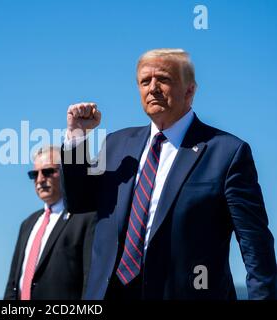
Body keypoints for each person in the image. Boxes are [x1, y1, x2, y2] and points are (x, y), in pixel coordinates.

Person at [62, 48, 277, 300]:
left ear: (190, 90)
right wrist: (77, 139)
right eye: (145, 81)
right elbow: (78, 203)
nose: (152, 88)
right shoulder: (116, 145)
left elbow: (255, 247)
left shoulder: (227, 152)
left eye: (163, 79)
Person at [4, 146, 96, 300]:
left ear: (64, 171)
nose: (40, 179)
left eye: (48, 172)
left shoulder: (84, 218)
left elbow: (90, 277)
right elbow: (12, 283)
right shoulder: (28, 224)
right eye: (34, 174)